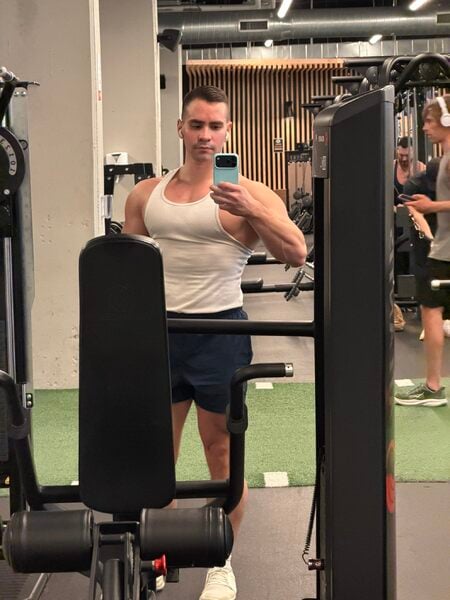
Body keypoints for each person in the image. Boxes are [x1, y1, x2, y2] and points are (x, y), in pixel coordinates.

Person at [123, 85, 307, 599]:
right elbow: (128, 269)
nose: (205, 135)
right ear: (181, 129)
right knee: (156, 457)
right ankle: (158, 553)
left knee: (221, 453)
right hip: (158, 334)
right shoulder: (145, 195)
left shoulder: (251, 193)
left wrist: (253, 210)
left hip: (221, 335)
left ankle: (220, 561)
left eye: (215, 126)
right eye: (197, 125)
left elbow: (295, 252)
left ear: (227, 132)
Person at [395, 95, 450, 408]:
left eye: (430, 121)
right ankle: (432, 385)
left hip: (445, 252)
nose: (425, 128)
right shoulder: (442, 159)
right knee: (432, 311)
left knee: (431, 311)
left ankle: (432, 386)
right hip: (442, 248)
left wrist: (431, 206)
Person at [393, 137, 426, 331]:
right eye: (401, 155)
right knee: (397, 258)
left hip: (415, 221)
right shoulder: (390, 168)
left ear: (413, 153)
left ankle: (414, 300)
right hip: (395, 221)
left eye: (407, 155)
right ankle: (399, 301)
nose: (404, 159)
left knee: (414, 260)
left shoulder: (421, 169)